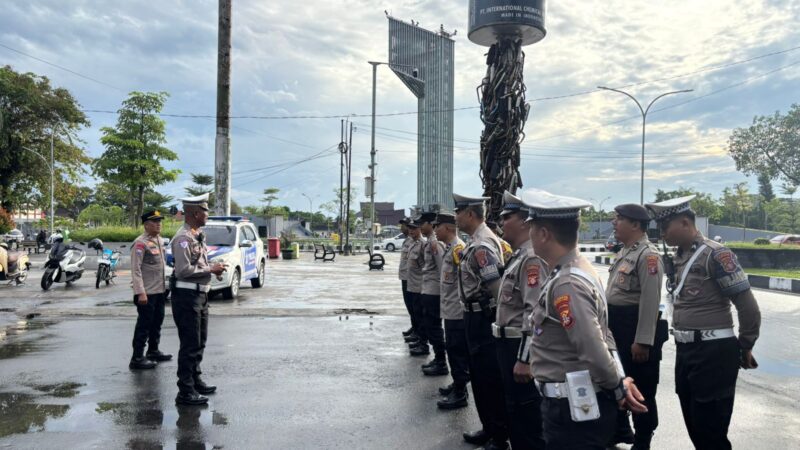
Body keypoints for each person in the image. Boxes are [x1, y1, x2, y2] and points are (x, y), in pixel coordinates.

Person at [526, 188, 647, 449]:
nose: (530, 236)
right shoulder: (578, 269)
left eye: (532, 229)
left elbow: (592, 347)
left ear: (544, 234)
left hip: (570, 412)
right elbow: (605, 334)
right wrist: (619, 381)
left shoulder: (567, 282)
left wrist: (618, 389)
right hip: (574, 406)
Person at [645, 195, 761, 450]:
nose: (662, 233)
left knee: (711, 430)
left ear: (685, 222)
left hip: (714, 353)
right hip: (687, 351)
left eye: (666, 227)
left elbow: (747, 304)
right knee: (694, 423)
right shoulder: (679, 256)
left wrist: (745, 344)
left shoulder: (716, 255)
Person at [606, 204, 667, 449]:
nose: (613, 222)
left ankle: (643, 439)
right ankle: (621, 430)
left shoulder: (647, 255)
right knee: (617, 380)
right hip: (617, 328)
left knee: (642, 388)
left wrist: (642, 340)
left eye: (619, 218)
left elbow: (651, 301)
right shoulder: (625, 252)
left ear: (635, 224)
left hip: (635, 330)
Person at [453, 193, 509, 450]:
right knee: (479, 377)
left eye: (458, 211)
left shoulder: (483, 245)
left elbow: (497, 290)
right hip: (473, 316)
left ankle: (499, 435)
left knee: (489, 379)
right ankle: (489, 428)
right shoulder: (475, 241)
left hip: (484, 319)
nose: (455, 217)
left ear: (470, 214)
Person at [494, 191, 547, 449]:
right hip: (507, 345)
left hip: (519, 349)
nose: (502, 222)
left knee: (526, 418)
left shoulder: (531, 259)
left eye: (508, 217)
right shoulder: (517, 256)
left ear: (526, 221)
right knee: (514, 412)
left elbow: (534, 312)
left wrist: (525, 359)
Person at [170, 194, 227, 406]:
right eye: (205, 211)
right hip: (186, 296)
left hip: (200, 294)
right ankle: (185, 391)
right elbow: (183, 270)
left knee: (200, 341)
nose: (207, 215)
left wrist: (215, 270)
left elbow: (200, 263)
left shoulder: (197, 234)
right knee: (190, 343)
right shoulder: (183, 238)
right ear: (195, 213)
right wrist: (210, 269)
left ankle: (195, 380)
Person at [433, 212, 470, 409]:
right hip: (450, 309)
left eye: (437, 227)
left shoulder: (458, 250)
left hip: (457, 311)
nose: (435, 231)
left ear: (447, 228)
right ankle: (457, 383)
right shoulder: (450, 248)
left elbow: (465, 284)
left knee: (457, 352)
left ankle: (460, 392)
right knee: (453, 349)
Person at [129, 210, 172, 370]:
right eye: (154, 222)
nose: (158, 224)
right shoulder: (140, 243)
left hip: (159, 291)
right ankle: (137, 357)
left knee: (157, 322)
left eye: (159, 221)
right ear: (146, 225)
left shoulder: (159, 241)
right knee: (144, 325)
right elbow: (136, 270)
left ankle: (153, 350)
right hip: (146, 293)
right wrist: (140, 292)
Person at [419, 211, 448, 375]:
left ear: (430, 224)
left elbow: (442, 269)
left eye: (423, 223)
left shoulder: (435, 243)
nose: (420, 226)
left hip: (434, 292)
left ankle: (441, 362)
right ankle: (438, 359)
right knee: (431, 327)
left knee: (435, 328)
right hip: (428, 290)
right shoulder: (430, 242)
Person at [405, 219, 428, 356]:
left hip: (420, 287)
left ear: (420, 229)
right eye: (410, 228)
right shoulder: (413, 244)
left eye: (414, 228)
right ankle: (419, 339)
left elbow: (428, 266)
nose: (411, 231)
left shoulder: (423, 244)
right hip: (412, 286)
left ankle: (423, 344)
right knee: (416, 314)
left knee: (421, 317)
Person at [398, 217, 418, 343]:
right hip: (405, 278)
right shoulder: (407, 241)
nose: (402, 228)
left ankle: (418, 331)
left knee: (414, 307)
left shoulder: (414, 242)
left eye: (404, 225)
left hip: (412, 279)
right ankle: (414, 327)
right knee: (409, 306)